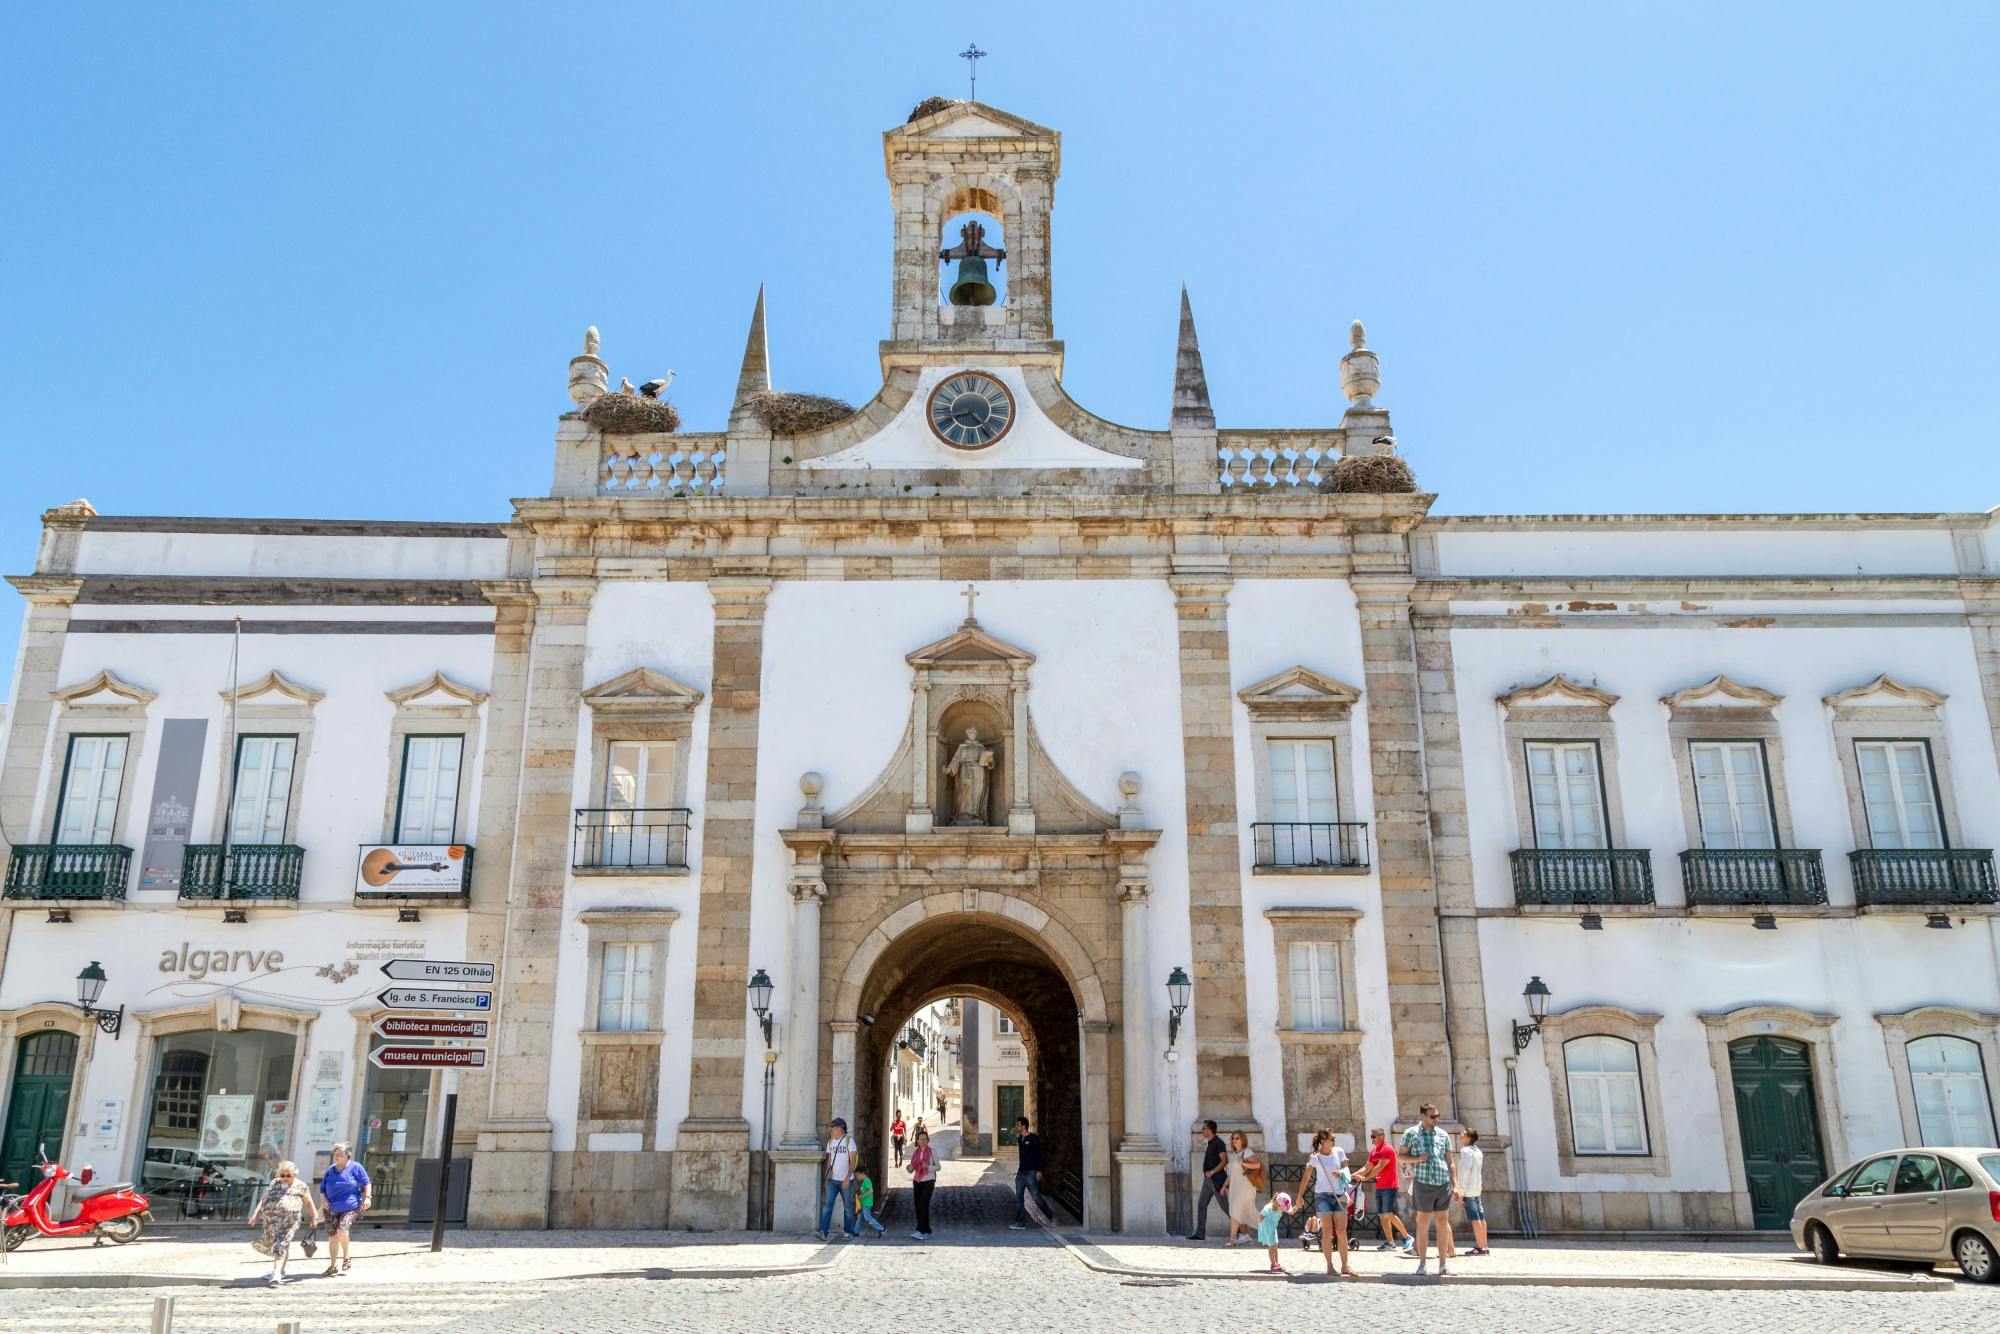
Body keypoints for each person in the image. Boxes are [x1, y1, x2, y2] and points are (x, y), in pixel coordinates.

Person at [1401, 1103, 1458, 1277]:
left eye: (1437, 1116)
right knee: (1423, 1221)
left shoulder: (1443, 1135)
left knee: (1442, 1221)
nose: (1436, 1119)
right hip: (1423, 1182)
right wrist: (1417, 1159)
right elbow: (1400, 1156)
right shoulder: (1411, 1133)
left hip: (1442, 1182)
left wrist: (1455, 1184)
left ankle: (1442, 1264)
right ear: (1423, 1117)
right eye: (1433, 1116)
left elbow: (1450, 1161)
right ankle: (1422, 1264)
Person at [1293, 1128, 1356, 1278]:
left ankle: (1345, 1266)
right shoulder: (1315, 1157)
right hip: (1322, 1196)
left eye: (1334, 1138)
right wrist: (1299, 1197)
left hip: (1339, 1195)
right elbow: (1306, 1178)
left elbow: (1347, 1171)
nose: (1334, 1141)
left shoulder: (1339, 1151)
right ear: (1323, 1141)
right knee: (1327, 1232)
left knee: (1342, 1232)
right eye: (1331, 1138)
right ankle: (1329, 1266)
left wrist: (1341, 1173)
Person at [249, 1160, 320, 1286]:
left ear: (294, 1174)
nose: (285, 1178)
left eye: (289, 1175)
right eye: (282, 1175)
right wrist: (255, 1214)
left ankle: (276, 1274)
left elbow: (308, 1202)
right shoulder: (274, 1183)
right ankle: (280, 1270)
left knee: (281, 1244)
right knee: (271, 1245)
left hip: (289, 1222)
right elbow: (263, 1199)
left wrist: (315, 1216)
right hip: (270, 1222)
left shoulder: (301, 1186)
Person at [317, 1141, 371, 1276]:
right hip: (331, 1208)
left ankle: (347, 1257)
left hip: (351, 1205)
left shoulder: (355, 1167)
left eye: (340, 1154)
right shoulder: (330, 1170)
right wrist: (323, 1199)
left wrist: (368, 1197)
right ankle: (333, 1265)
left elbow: (366, 1182)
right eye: (335, 1154)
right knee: (333, 1237)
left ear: (348, 1155)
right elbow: (322, 1188)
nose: (337, 1157)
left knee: (342, 1229)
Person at [1358, 1126, 1413, 1253]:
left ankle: (1407, 1237)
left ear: (1381, 1137)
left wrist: (1365, 1178)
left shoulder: (1388, 1149)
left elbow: (1379, 1167)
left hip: (1390, 1185)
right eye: (1371, 1136)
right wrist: (1352, 1175)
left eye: (1373, 1136)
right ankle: (1390, 1243)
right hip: (1380, 1186)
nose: (1371, 1139)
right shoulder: (1373, 1152)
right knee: (1382, 1216)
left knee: (1388, 1214)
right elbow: (1367, 1167)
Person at [816, 1116, 860, 1241]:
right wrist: (826, 1174)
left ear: (841, 1128)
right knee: (828, 1206)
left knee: (847, 1207)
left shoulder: (849, 1141)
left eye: (834, 1127)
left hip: (846, 1180)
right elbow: (830, 1159)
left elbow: (853, 1161)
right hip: (832, 1180)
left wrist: (847, 1178)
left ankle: (848, 1231)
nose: (832, 1129)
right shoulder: (830, 1142)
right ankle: (823, 1232)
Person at [1008, 1115, 1053, 1229]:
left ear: (1023, 1126)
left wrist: (1039, 1171)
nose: (1016, 1127)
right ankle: (1020, 1222)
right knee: (1018, 1198)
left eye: (1018, 1125)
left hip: (1031, 1173)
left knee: (1036, 1197)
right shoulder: (1020, 1139)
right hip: (1021, 1173)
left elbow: (1038, 1155)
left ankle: (1050, 1215)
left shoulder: (1033, 1138)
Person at [1187, 1119, 1227, 1241]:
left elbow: (1225, 1161)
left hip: (1217, 1180)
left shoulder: (1219, 1143)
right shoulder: (1211, 1142)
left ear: (1210, 1130)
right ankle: (1200, 1234)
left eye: (1204, 1128)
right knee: (1201, 1204)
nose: (1202, 1130)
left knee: (1226, 1207)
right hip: (1208, 1181)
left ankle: (1241, 1231)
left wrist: (1212, 1172)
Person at [1223, 1130, 1262, 1245]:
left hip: (1245, 1187)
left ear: (1243, 1140)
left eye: (1237, 1138)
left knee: (1235, 1211)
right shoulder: (1234, 1155)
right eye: (1233, 1138)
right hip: (1235, 1187)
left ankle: (1232, 1239)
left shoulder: (1247, 1152)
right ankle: (1249, 1234)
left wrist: (1243, 1163)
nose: (1234, 1140)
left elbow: (1257, 1165)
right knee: (1246, 1212)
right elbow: (1231, 1174)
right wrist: (1225, 1186)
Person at [1456, 1128, 1489, 1255]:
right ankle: (1484, 1245)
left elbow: (1465, 1171)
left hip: (1468, 1189)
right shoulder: (1478, 1151)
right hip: (1476, 1188)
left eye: (1463, 1133)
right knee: (1481, 1217)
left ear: (1469, 1138)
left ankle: (1479, 1247)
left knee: (1475, 1218)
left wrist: (1461, 1191)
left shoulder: (1466, 1151)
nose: (1461, 1134)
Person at [908, 1126, 938, 1240]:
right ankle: (926, 1229)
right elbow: (912, 1167)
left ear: (928, 1140)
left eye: (925, 1139)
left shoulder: (932, 1152)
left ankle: (920, 1230)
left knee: (923, 1204)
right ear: (917, 1140)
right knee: (917, 1205)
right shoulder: (915, 1153)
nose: (923, 1141)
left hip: (929, 1180)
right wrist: (909, 1168)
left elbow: (938, 1167)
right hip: (917, 1181)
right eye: (921, 1139)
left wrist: (928, 1167)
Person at [1259, 1192, 1291, 1274]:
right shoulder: (1268, 1208)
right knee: (1271, 1246)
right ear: (1277, 1204)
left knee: (1275, 1246)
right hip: (1268, 1228)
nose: (1283, 1210)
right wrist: (1261, 1227)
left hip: (1273, 1228)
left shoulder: (1279, 1207)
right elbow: (1260, 1217)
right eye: (1282, 1208)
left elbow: (1291, 1211)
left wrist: (1298, 1206)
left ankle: (1277, 1264)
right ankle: (1273, 1265)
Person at [854, 1167, 886, 1237]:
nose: (856, 1177)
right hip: (864, 1203)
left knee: (867, 1217)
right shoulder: (864, 1181)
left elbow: (871, 1190)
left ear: (862, 1174)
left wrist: (862, 1196)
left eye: (857, 1175)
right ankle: (855, 1231)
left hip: (867, 1203)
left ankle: (881, 1229)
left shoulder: (867, 1180)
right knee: (860, 1217)